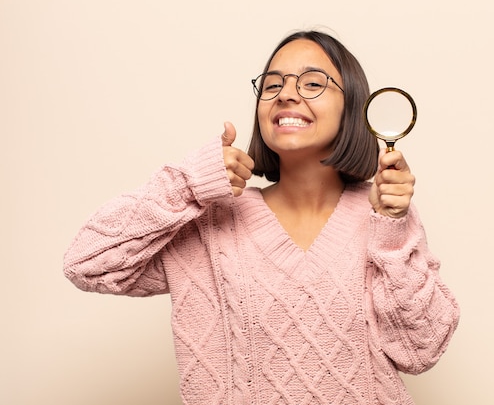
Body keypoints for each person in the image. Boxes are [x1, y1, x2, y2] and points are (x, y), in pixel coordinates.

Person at [64, 30, 460, 405]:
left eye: (312, 83)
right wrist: (189, 183)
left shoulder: (382, 217)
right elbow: (87, 263)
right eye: (273, 85)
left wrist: (391, 229)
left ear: (353, 107)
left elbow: (420, 349)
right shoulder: (209, 223)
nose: (287, 94)